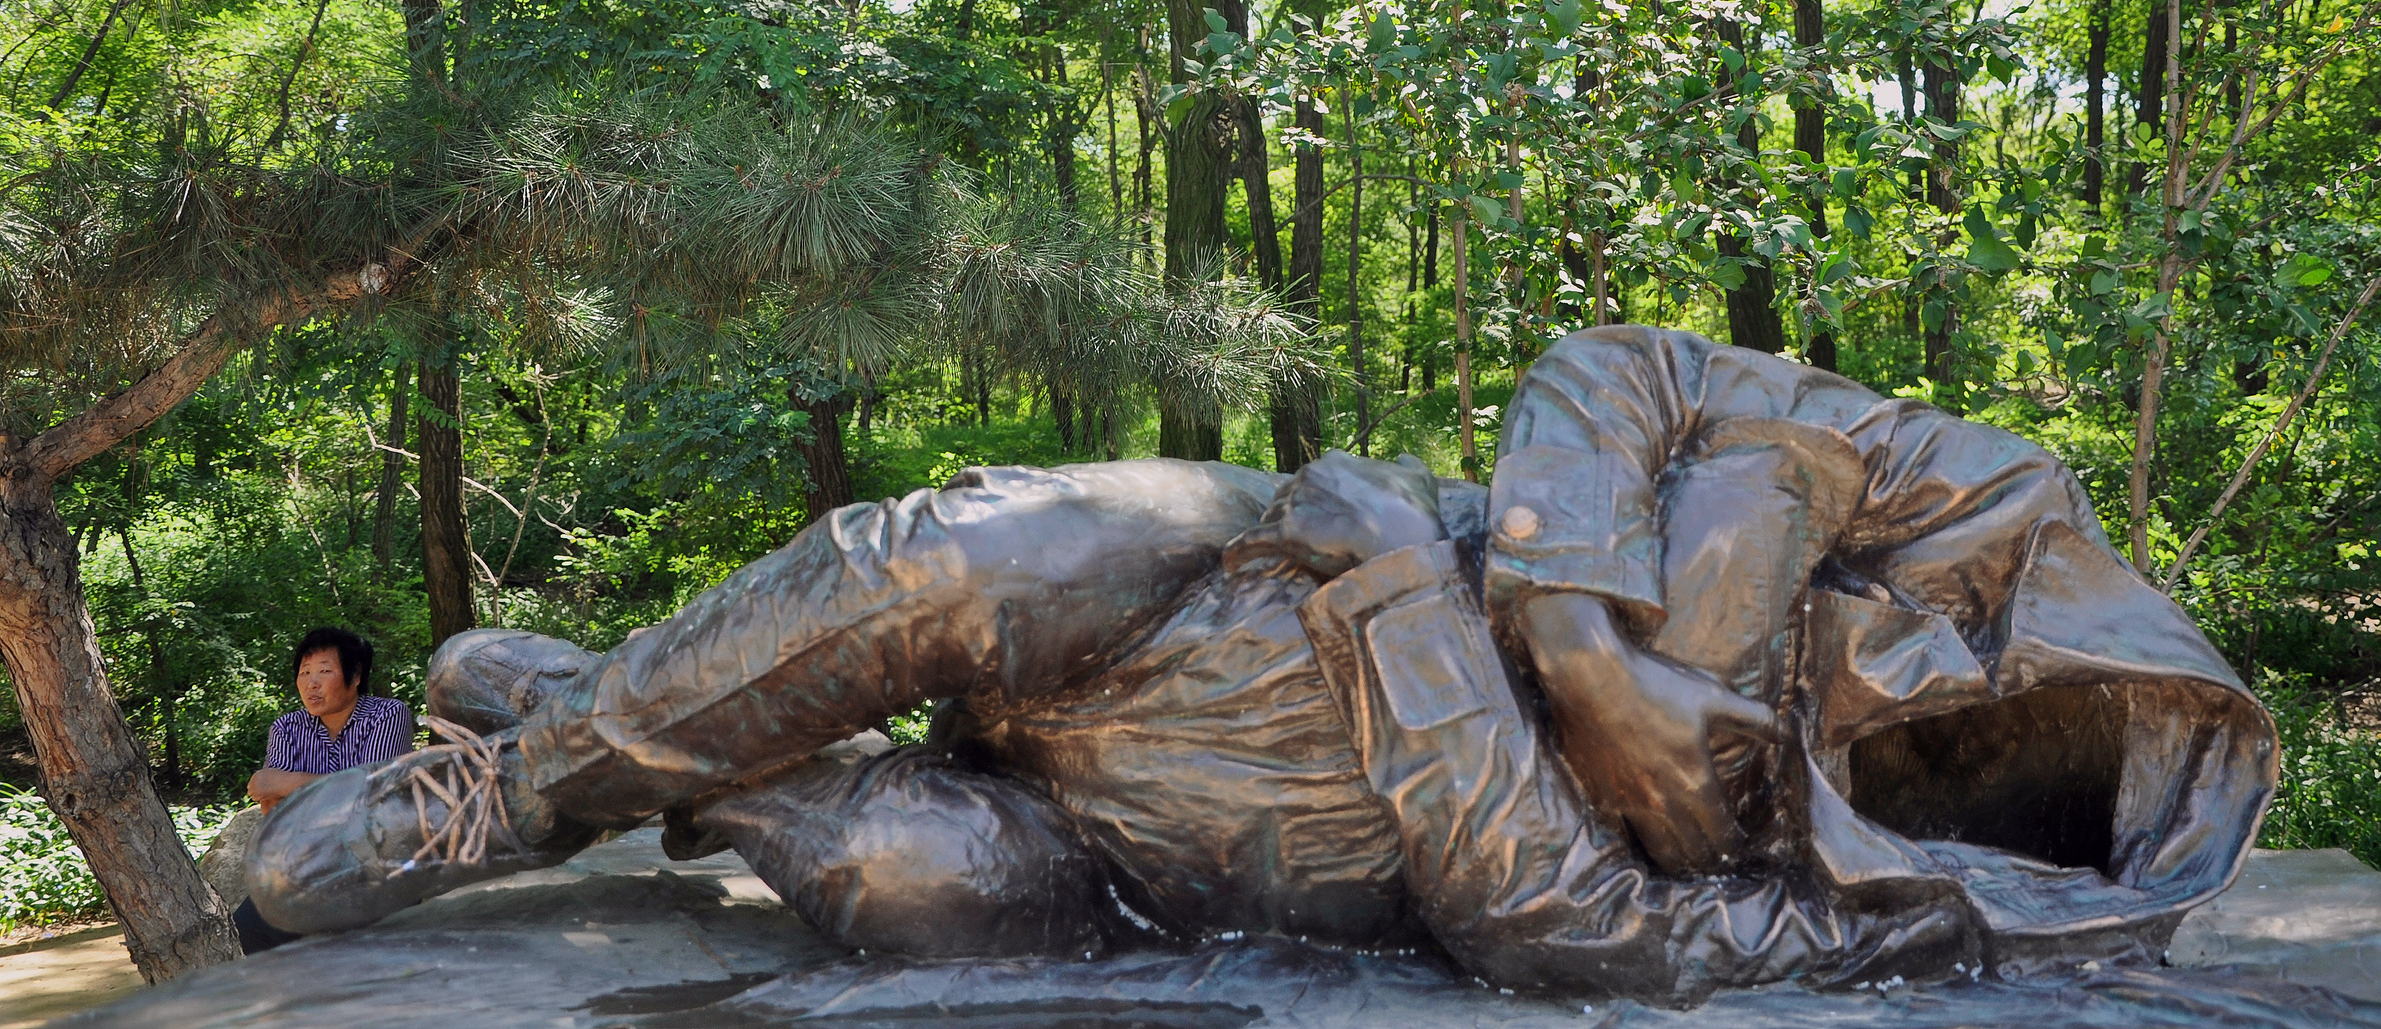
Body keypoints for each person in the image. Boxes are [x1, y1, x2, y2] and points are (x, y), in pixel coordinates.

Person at [248, 329, 2275, 1002]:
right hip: (1224, 580)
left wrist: (1419, 615)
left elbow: (1559, 931)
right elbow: (1617, 370)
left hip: (1213, 858)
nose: (1952, 720)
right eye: (2023, 698)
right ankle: (499, 791)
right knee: (962, 550)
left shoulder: (1893, 920)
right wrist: (1576, 651)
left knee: (919, 901)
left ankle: (662, 727)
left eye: (2000, 775)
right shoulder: (1977, 512)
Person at [237, 627, 414, 953]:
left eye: (324, 671)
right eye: (304, 673)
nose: (311, 683)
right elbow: (274, 810)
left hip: (374, 861)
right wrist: (335, 790)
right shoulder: (287, 728)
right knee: (247, 929)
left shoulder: (388, 715)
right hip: (305, 863)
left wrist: (282, 782)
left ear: (356, 675)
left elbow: (372, 792)